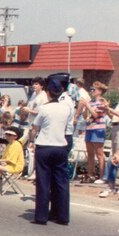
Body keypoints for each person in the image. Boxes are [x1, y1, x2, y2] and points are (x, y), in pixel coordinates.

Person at [29, 73, 73, 225]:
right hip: (60, 146)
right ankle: (62, 215)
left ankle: (41, 216)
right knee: (61, 182)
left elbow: (35, 128)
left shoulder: (44, 109)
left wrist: (30, 140)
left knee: (43, 182)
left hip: (45, 145)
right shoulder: (66, 108)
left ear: (48, 92)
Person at [78, 81, 108, 183]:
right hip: (89, 128)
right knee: (90, 154)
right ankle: (91, 175)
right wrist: (84, 107)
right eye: (91, 89)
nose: (92, 91)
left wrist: (87, 105)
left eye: (94, 90)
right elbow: (86, 116)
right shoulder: (90, 102)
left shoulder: (102, 102)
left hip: (98, 128)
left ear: (100, 91)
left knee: (99, 154)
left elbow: (96, 115)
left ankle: (102, 176)